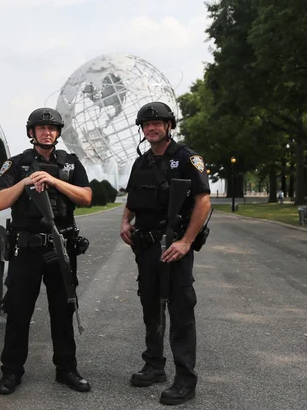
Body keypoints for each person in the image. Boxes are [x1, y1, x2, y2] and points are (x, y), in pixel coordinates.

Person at [0, 107, 93, 395]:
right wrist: (25, 182)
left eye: (51, 128)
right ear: (31, 132)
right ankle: (11, 372)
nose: (46, 132)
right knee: (18, 313)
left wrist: (53, 181)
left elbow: (86, 197)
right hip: (27, 250)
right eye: (40, 128)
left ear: (58, 133)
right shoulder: (16, 164)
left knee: (63, 311)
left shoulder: (70, 164)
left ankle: (67, 370)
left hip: (61, 247)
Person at [120, 102, 211, 406]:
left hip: (174, 247)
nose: (152, 128)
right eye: (147, 124)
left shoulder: (188, 158)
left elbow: (203, 202)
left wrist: (186, 241)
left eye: (158, 122)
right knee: (150, 306)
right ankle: (154, 365)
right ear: (142, 130)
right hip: (145, 247)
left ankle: (185, 380)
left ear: (169, 125)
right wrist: (124, 221)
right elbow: (132, 198)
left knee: (181, 312)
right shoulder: (141, 163)